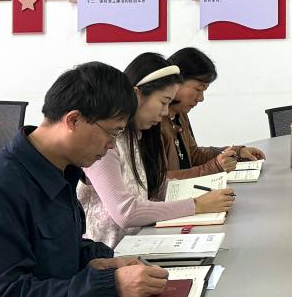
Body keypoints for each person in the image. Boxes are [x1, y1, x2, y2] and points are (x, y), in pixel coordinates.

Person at [0, 62, 170, 297]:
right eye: (112, 133)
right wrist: (109, 284)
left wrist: (103, 260)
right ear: (74, 120)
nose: (111, 146)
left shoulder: (61, 170)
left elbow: (58, 249)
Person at [78, 53, 235, 248]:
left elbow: (155, 187)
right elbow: (125, 212)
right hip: (110, 253)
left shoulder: (135, 136)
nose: (165, 112)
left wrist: (210, 190)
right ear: (137, 95)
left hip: (140, 243)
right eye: (163, 102)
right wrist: (197, 205)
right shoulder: (105, 144)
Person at [162, 47, 264, 179]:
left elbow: (194, 156)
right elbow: (159, 181)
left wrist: (236, 152)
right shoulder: (153, 121)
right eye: (198, 89)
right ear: (176, 81)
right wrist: (214, 167)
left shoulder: (179, 114)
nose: (201, 98)